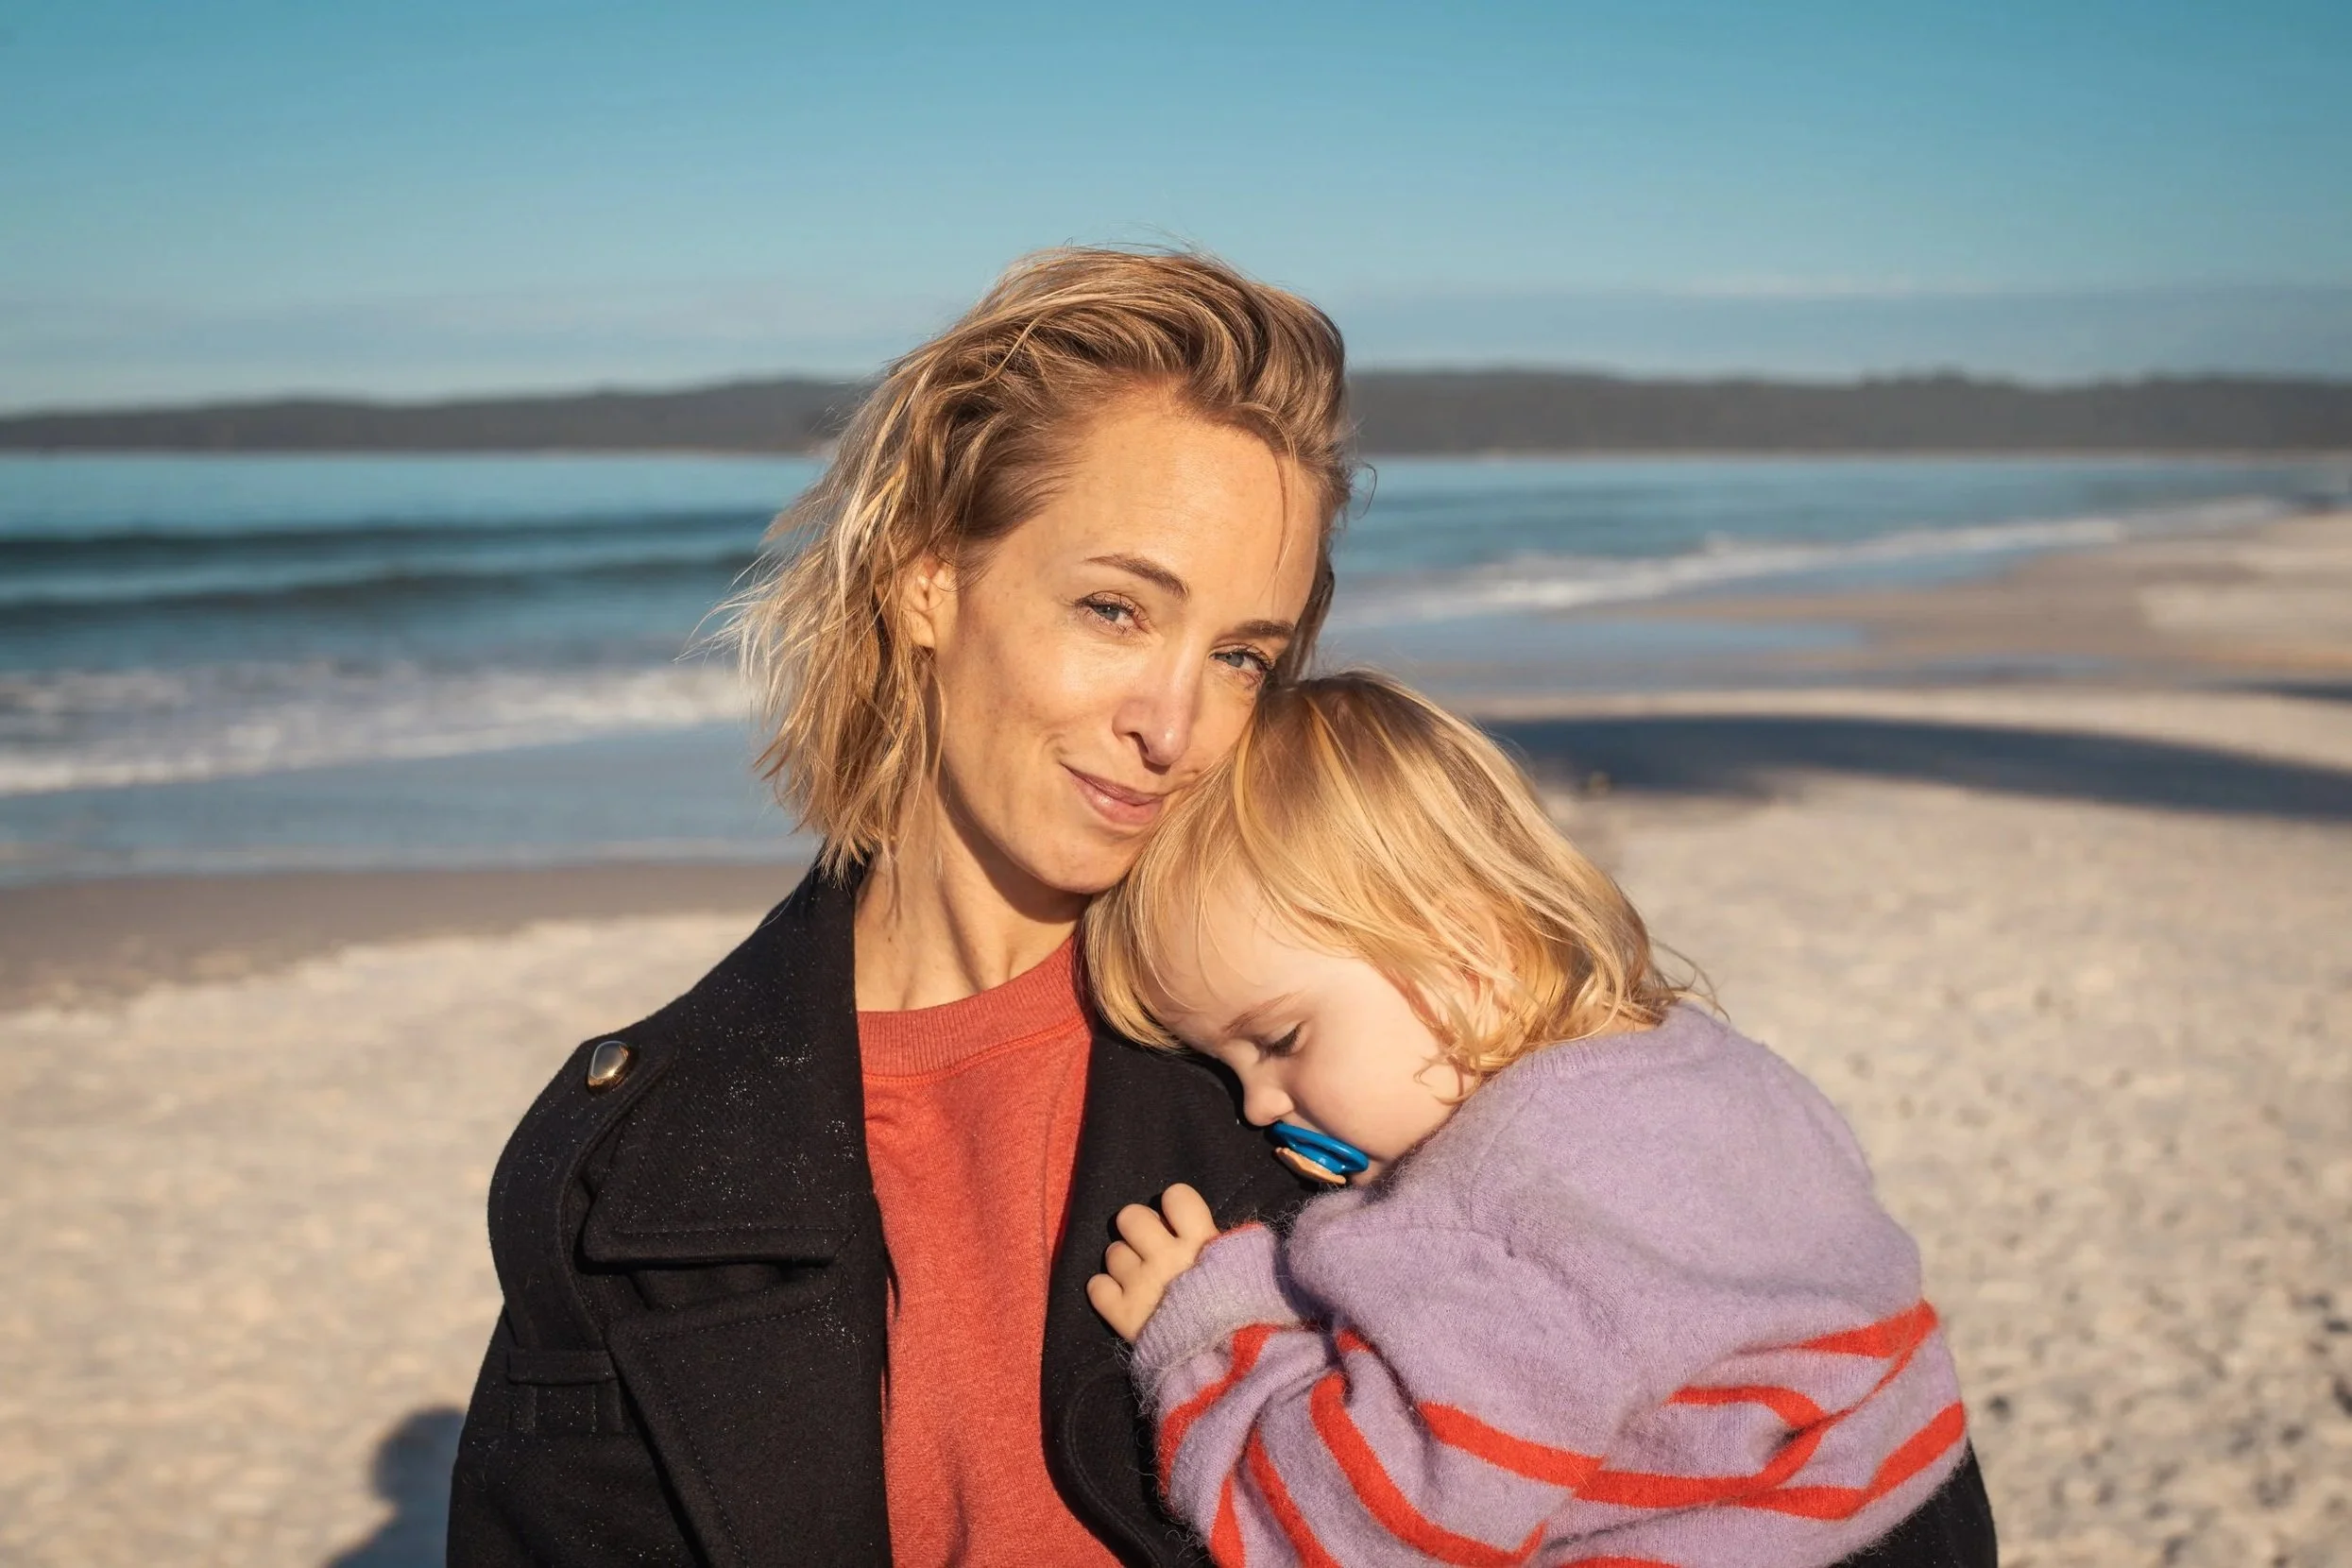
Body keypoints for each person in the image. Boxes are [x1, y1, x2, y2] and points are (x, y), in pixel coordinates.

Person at [446, 247, 1356, 1568]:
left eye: (1238, 657)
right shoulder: (634, 1162)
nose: (1172, 725)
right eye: (1114, 609)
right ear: (929, 581)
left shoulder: (1337, 1060)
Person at [1082, 672, 1999, 1567]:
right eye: (1223, 1064)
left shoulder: (1488, 1210)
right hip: (1919, 1498)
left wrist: (1212, 1339)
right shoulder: (1710, 1065)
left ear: (1467, 958)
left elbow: (1376, 1525)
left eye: (1280, 1037)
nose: (1256, 1103)